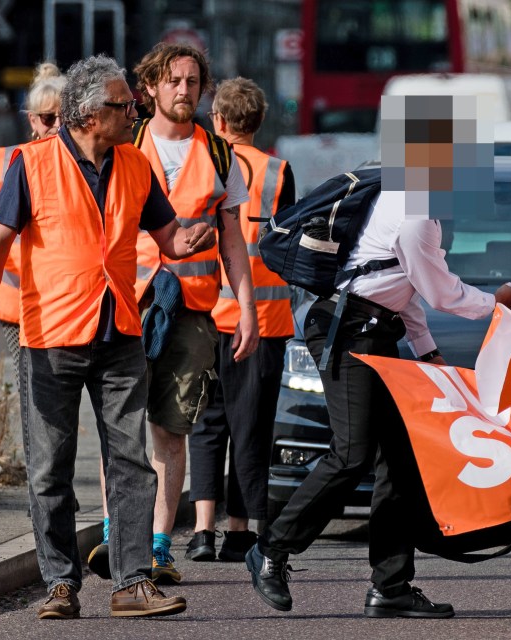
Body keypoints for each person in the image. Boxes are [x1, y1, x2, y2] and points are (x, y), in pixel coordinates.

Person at [0, 54, 207, 619]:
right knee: (50, 466)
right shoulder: (32, 164)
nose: (135, 112)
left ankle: (131, 582)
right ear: (91, 113)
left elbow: (167, 238)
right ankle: (60, 584)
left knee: (130, 461)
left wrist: (191, 237)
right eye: (125, 105)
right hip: (50, 334)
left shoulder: (136, 166)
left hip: (119, 330)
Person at [245, 110, 511, 617]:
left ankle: (390, 586)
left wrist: (427, 351)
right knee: (351, 455)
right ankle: (272, 549)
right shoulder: (416, 214)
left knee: (398, 458)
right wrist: (497, 303)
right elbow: (440, 290)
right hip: (348, 331)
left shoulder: (409, 202)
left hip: (369, 327)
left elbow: (400, 290)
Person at [123, 42, 257, 585]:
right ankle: (116, 536)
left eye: (193, 82)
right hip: (128, 307)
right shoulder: (125, 145)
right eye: (174, 80)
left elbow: (234, 244)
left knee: (171, 432)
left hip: (194, 315)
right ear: (151, 85)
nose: (184, 90)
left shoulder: (220, 155)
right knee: (121, 430)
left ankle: (157, 547)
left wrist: (245, 310)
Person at [184, 77, 296, 563]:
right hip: (264, 319)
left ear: (220, 122)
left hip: (207, 314)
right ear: (258, 121)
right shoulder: (278, 172)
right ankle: (239, 531)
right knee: (251, 427)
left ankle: (202, 531)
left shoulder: (204, 164)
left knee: (206, 423)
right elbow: (289, 246)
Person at [0, 61, 65, 380]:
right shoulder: (16, 161)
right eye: (49, 119)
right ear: (33, 121)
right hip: (19, 303)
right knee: (32, 389)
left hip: (62, 301)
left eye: (65, 117)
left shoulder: (81, 164)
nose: (58, 126)